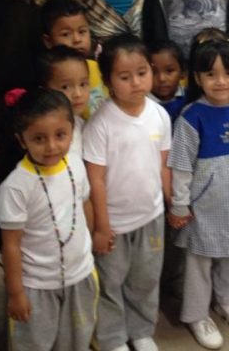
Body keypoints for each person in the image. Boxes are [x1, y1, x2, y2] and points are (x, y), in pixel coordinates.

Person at [167, 38, 229, 350]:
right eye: (211, 74)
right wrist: (179, 205)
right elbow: (180, 167)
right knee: (200, 263)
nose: (221, 81)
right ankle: (196, 314)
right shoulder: (191, 117)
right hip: (204, 207)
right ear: (197, 78)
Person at [84, 34, 171, 351]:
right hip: (115, 224)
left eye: (142, 72)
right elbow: (95, 180)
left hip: (151, 217)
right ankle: (112, 338)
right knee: (111, 282)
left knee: (146, 278)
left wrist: (171, 201)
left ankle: (141, 331)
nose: (136, 82)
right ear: (107, 82)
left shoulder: (159, 114)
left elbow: (163, 165)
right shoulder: (101, 124)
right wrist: (102, 226)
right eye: (124, 76)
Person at [0, 87, 97, 350]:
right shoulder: (16, 186)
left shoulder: (75, 163)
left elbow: (84, 204)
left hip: (80, 274)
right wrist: (16, 292)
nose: (52, 146)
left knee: (76, 338)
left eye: (60, 135)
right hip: (36, 285)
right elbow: (11, 244)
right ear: (22, 140)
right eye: (39, 138)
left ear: (72, 131)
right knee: (34, 343)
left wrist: (93, 241)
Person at [40, 0, 108, 118]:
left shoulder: (100, 68)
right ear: (48, 41)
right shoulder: (49, 72)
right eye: (66, 34)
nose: (77, 40)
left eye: (82, 31)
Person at [37, 45, 91, 157]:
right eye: (66, 87)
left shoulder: (83, 125)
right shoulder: (40, 132)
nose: (78, 94)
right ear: (45, 90)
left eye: (83, 84)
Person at [149, 40, 187, 121]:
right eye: (153, 72)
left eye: (169, 71)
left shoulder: (189, 99)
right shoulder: (142, 104)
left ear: (183, 72)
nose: (162, 79)